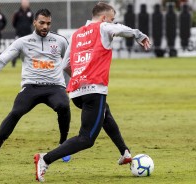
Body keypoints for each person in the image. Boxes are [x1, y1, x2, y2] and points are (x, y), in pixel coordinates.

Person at [34, 2, 151, 182]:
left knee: (105, 114)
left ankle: (125, 152)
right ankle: (45, 159)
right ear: (104, 18)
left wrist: (81, 76)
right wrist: (139, 35)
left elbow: (65, 65)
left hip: (77, 91)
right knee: (86, 138)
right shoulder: (103, 27)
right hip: (94, 90)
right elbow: (119, 29)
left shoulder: (76, 34)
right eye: (112, 19)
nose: (113, 22)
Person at [0, 9, 71, 164]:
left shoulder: (60, 41)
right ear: (34, 22)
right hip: (31, 87)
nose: (45, 26)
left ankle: (63, 145)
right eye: (42, 23)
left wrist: (69, 84)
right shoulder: (23, 42)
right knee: (15, 112)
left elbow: (69, 64)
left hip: (54, 87)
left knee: (64, 105)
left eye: (48, 23)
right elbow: (2, 60)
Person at [11, 0, 34, 67]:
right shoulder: (17, 13)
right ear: (21, 4)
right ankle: (13, 61)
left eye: (26, 3)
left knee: (29, 49)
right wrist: (19, 28)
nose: (25, 4)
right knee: (16, 49)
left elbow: (32, 22)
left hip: (28, 34)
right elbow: (13, 23)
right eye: (24, 3)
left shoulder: (30, 13)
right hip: (19, 34)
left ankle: (29, 63)